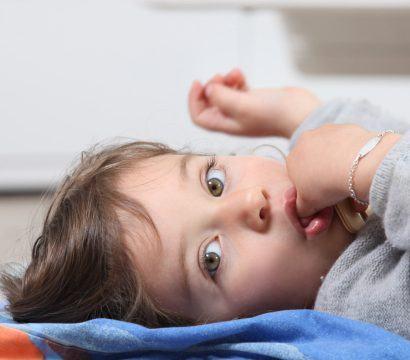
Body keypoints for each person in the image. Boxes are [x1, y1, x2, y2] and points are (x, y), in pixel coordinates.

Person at [1, 69, 408, 340]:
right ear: (232, 328)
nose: (252, 203)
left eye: (214, 182)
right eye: (211, 259)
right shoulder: (367, 299)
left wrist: (298, 115)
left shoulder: (331, 206)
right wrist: (367, 160)